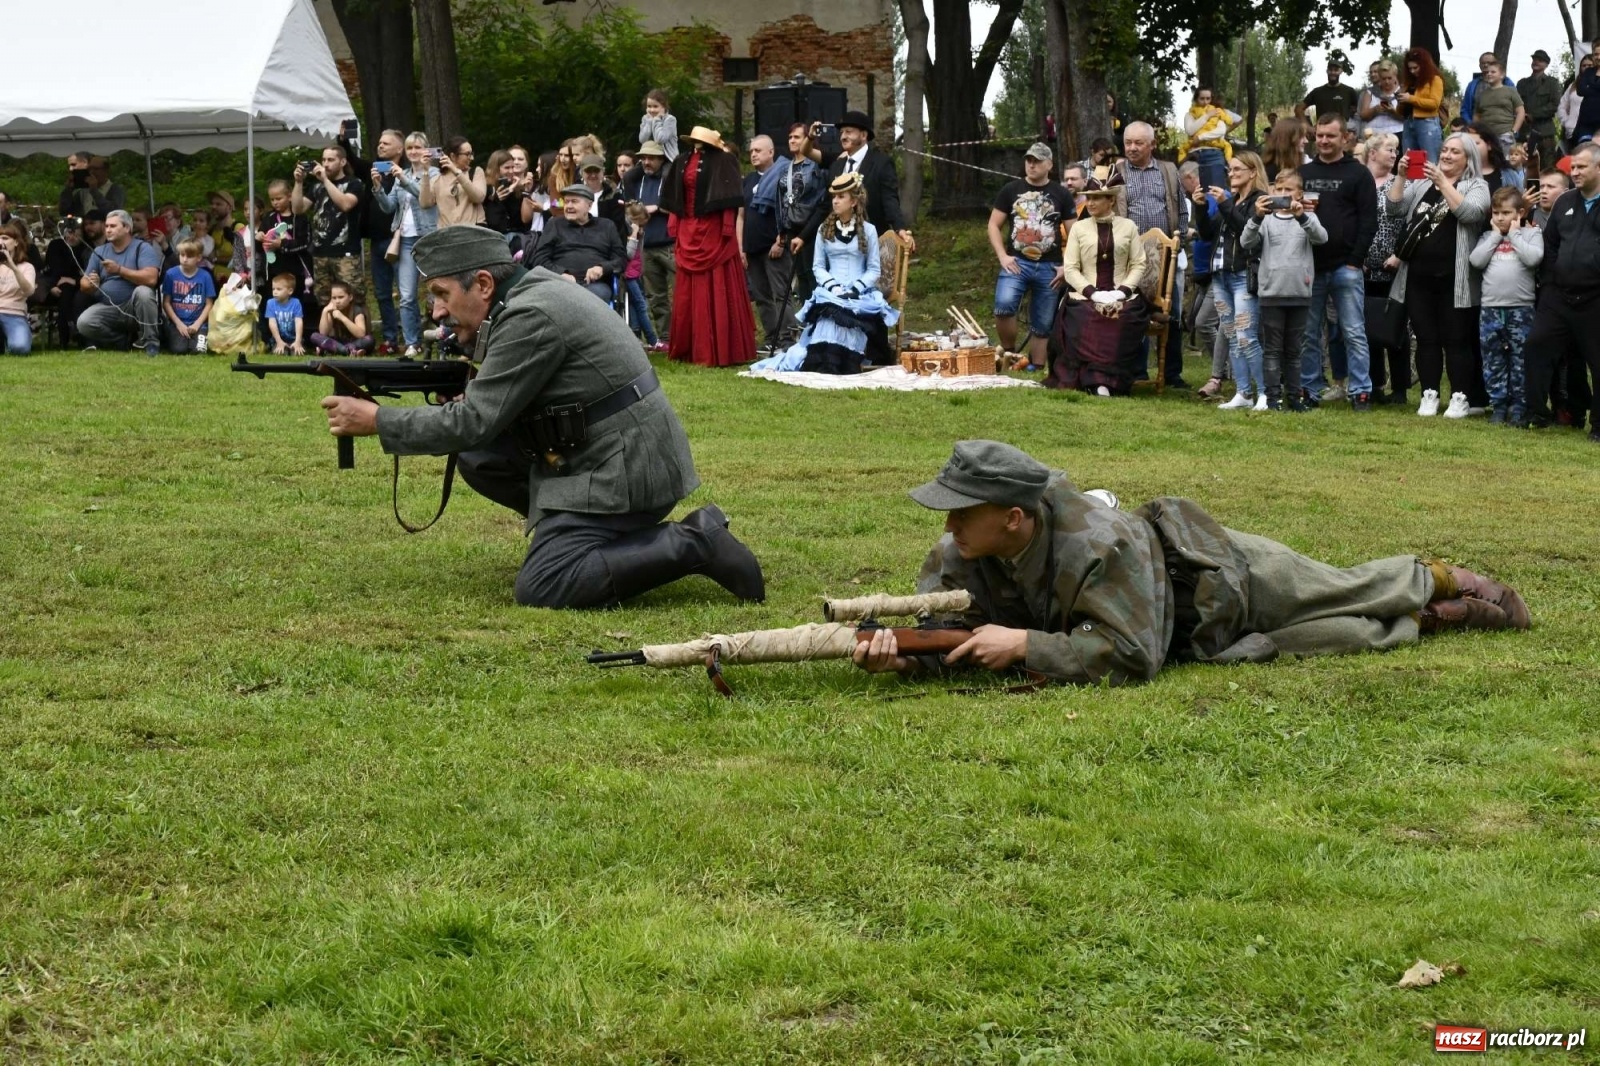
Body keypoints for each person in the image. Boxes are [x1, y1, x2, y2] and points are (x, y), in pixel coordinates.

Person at [318, 226, 766, 608]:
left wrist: (378, 419)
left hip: (625, 470)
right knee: (480, 456)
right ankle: (578, 534)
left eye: (441, 294)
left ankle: (693, 541)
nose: (436, 310)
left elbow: (473, 421)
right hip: (620, 451)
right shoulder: (536, 291)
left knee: (544, 585)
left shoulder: (530, 315)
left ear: (484, 284)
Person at [852, 441, 1530, 684]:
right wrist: (904, 656)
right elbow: (941, 628)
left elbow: (1132, 656)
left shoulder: (1099, 542)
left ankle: (1447, 579)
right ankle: (1442, 617)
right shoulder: (962, 549)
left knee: (1340, 588)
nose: (947, 526)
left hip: (1225, 576)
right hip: (1198, 637)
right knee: (1337, 638)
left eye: (961, 512)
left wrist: (1028, 644)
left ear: (1015, 518)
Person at [1385, 133, 1492, 419]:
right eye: (1444, 150)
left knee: (1457, 340)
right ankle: (1428, 394)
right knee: (1426, 338)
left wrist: (1444, 183)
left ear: (1468, 158)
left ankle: (1460, 397)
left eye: (1454, 152)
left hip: (1456, 280)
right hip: (1418, 277)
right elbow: (1393, 208)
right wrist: (1401, 176)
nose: (1445, 155)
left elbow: (1470, 213)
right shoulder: (1421, 184)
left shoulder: (1477, 185)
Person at [751, 172, 899, 375]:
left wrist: (855, 289)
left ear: (854, 201)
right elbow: (818, 267)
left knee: (850, 317)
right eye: (834, 197)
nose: (835, 201)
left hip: (860, 293)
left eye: (841, 197)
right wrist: (834, 287)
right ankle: (826, 362)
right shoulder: (823, 230)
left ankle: (848, 361)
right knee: (829, 317)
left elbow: (874, 269)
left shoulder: (869, 230)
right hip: (832, 290)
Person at [1299, 112, 1379, 409]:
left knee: (1354, 332)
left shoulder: (1358, 174)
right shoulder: (1303, 174)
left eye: (1330, 136)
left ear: (1344, 138)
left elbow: (1369, 221)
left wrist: (1355, 261)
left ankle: (1361, 391)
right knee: (1308, 333)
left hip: (1346, 266)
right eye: (1319, 135)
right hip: (1310, 267)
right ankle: (1309, 389)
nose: (1323, 141)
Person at [661, 125, 757, 367]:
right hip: (688, 227)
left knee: (717, 284)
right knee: (686, 291)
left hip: (713, 229)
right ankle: (688, 347)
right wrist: (675, 224)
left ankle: (721, 348)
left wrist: (726, 229)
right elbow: (676, 195)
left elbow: (729, 201)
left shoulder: (725, 161)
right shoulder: (682, 160)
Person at [1524, 141, 1600, 438]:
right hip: (1559, 296)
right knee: (1536, 346)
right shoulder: (1565, 202)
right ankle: (1535, 413)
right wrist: (1554, 280)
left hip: (1595, 298)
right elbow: (1551, 243)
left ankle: (1597, 426)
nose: (1575, 172)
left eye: (1582, 167)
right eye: (1574, 167)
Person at [1048, 176, 1150, 396]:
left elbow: (1139, 263)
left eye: (1096, 199)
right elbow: (1071, 267)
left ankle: (1109, 381)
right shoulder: (1079, 228)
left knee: (1120, 317)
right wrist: (1092, 294)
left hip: (1123, 295)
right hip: (1085, 296)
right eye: (1089, 198)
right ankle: (1092, 379)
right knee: (1087, 316)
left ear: (1110, 201)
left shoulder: (1128, 226)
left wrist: (1122, 291)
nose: (1090, 203)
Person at [1240, 170, 1328, 410]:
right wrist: (1256, 217)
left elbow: (1321, 238)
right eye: (1277, 190)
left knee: (1294, 350)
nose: (1282, 195)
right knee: (1272, 349)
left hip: (1300, 292)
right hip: (1271, 294)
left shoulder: (1307, 217)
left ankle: (1295, 397)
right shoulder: (1266, 220)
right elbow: (1245, 242)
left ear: (1299, 194)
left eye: (1288, 190)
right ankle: (1272, 398)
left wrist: (1303, 217)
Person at [1114, 121, 1188, 387]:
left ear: (1152, 145)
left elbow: (1180, 209)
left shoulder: (1168, 170)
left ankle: (1172, 373)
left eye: (1138, 143)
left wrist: (1177, 242)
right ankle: (1137, 370)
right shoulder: (1117, 171)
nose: (1132, 148)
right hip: (1130, 257)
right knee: (1134, 312)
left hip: (1164, 255)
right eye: (1128, 143)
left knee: (1173, 312)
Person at [987, 142, 1073, 371]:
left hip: (1050, 265)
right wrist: (1002, 256)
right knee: (1003, 306)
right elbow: (994, 225)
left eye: (1037, 161)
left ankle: (1036, 366)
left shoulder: (1061, 194)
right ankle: (1010, 352)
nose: (1031, 165)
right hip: (1017, 262)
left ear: (1049, 165)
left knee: (1043, 322)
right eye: (1029, 160)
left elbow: (1076, 234)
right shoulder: (1010, 190)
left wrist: (1068, 266)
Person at [1197, 151, 1268, 408]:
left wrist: (1225, 205)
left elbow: (1247, 232)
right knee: (1231, 333)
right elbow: (1207, 233)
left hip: (1243, 274)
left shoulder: (1260, 201)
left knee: (1246, 335)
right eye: (1230, 169)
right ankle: (1243, 393)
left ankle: (1265, 393)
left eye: (1238, 169)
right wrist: (1201, 207)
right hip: (1221, 276)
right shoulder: (1233, 200)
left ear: (1253, 172)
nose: (1231, 174)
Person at [1468, 186, 1542, 425]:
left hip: (1521, 309)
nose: (1500, 218)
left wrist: (1514, 235)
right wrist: (1496, 236)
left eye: (1506, 213)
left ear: (1519, 213)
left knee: (1520, 360)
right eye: (1496, 213)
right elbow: (1476, 260)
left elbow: (1533, 258)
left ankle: (1519, 406)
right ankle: (1498, 405)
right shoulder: (1488, 237)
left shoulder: (1531, 235)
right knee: (1493, 359)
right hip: (1491, 309)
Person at [370, 131, 440, 355]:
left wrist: (403, 179)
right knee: (407, 296)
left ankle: (444, 337)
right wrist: (378, 187)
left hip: (428, 239)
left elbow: (426, 199)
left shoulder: (435, 173)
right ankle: (412, 343)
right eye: (410, 148)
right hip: (405, 240)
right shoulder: (404, 173)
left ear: (426, 150)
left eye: (418, 148)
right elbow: (389, 207)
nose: (413, 152)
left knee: (438, 292)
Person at [292, 145, 368, 322]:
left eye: (331, 160)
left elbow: (346, 204)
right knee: (324, 299)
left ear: (342, 162)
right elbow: (298, 209)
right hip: (320, 253)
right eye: (323, 160)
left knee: (354, 297)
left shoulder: (354, 183)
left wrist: (326, 180)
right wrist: (298, 183)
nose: (325, 164)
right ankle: (330, 339)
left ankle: (362, 336)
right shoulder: (316, 187)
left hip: (346, 253)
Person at [1362, 132, 1410, 406]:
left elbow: (1410, 222)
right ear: (1372, 152)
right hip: (1364, 268)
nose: (1394, 154)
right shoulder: (1359, 182)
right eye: (1389, 149)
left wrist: (1399, 255)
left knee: (1396, 326)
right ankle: (1374, 384)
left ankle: (1400, 388)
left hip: (1394, 267)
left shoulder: (1402, 184)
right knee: (1367, 327)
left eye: (1396, 150)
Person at [77, 209, 162, 355]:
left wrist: (120, 270)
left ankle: (151, 342)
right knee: (84, 322)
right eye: (107, 226)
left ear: (127, 228)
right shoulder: (100, 250)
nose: (108, 230)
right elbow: (83, 284)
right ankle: (121, 342)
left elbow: (151, 279)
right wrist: (91, 283)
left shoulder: (142, 248)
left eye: (113, 226)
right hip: (108, 307)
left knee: (144, 292)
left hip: (134, 307)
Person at [741, 134, 796, 351]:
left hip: (774, 248)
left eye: (758, 150)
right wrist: (741, 248)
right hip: (752, 248)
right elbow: (741, 216)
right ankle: (772, 338)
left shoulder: (783, 176)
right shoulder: (748, 181)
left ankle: (788, 340)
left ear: (771, 152)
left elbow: (789, 213)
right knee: (762, 297)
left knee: (781, 295)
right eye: (751, 151)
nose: (753, 154)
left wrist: (781, 241)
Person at [529, 184, 627, 305]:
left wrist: (602, 268)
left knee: (594, 297)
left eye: (574, 202)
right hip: (559, 283)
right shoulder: (555, 224)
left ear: (589, 205)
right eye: (566, 202)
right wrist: (561, 273)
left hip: (595, 285)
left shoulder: (607, 226)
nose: (568, 206)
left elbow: (621, 259)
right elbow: (539, 258)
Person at [619, 140, 674, 346]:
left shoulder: (669, 179)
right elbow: (630, 210)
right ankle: (665, 338)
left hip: (670, 243)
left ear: (661, 159)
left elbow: (677, 207)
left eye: (651, 158)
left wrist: (656, 208)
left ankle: (686, 335)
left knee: (680, 292)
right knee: (655, 296)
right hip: (646, 245)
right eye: (643, 158)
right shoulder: (636, 180)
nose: (646, 162)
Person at [361, 129, 405, 351]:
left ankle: (410, 337)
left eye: (386, 143)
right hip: (376, 240)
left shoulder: (405, 174)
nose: (380, 146)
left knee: (405, 292)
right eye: (379, 142)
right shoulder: (374, 171)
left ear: (400, 149)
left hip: (398, 239)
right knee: (382, 293)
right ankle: (390, 339)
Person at [778, 123, 827, 306]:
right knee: (801, 277)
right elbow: (781, 200)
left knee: (813, 274)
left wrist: (808, 231)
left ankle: (819, 320)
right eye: (790, 137)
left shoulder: (816, 166)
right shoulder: (786, 167)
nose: (792, 140)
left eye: (797, 137)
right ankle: (807, 321)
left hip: (811, 229)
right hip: (792, 228)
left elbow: (822, 200)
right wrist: (781, 230)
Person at [43, 215, 94, 347]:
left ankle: (66, 335)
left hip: (78, 286)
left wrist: (74, 280)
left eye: (77, 235)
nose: (72, 237)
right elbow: (53, 268)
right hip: (54, 285)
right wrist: (52, 285)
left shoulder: (86, 249)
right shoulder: (56, 245)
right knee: (65, 289)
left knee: (67, 290)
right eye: (70, 233)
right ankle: (68, 332)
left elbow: (88, 272)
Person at [160, 238, 216, 354]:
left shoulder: (205, 276)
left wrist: (197, 324)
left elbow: (209, 304)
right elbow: (166, 302)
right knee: (178, 349)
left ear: (199, 258)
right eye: (182, 255)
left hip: (199, 323)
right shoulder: (171, 274)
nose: (184, 259)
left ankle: (195, 339)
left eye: (189, 256)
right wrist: (178, 324)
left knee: (200, 351)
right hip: (177, 322)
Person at [1181, 87, 1242, 191]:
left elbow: (1223, 129)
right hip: (1194, 155)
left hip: (1214, 154)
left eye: (1208, 99)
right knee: (1196, 194)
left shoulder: (1218, 112)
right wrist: (1206, 116)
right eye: (1202, 99)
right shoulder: (1190, 114)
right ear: (1196, 99)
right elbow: (1190, 130)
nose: (1205, 102)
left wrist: (1201, 137)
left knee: (1216, 193)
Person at [425, 137, 487, 229]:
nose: (472, 158)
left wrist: (457, 172)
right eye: (468, 154)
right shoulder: (437, 179)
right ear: (453, 156)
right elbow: (425, 204)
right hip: (447, 234)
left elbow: (478, 197)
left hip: (472, 232)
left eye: (472, 154)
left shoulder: (476, 172)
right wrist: (425, 172)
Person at [621, 202, 659, 348]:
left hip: (636, 273)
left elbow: (639, 254)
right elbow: (629, 254)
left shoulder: (640, 233)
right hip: (628, 275)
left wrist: (639, 235)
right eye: (641, 224)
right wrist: (634, 235)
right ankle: (652, 339)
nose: (643, 228)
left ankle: (637, 336)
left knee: (635, 305)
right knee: (641, 305)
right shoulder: (627, 233)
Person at [1398, 48, 1447, 162]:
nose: (1412, 71)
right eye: (1410, 68)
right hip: (1408, 121)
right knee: (1410, 162)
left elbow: (1434, 104)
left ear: (1424, 65)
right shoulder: (1409, 82)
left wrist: (1410, 98)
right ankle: (1412, 180)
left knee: (1430, 162)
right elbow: (1401, 110)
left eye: (1415, 67)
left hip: (1427, 122)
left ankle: (1431, 181)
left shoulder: (1435, 80)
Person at [1519, 50, 1563, 173]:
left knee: (1547, 168)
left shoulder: (1552, 83)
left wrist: (1533, 115)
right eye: (1534, 59)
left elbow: (1554, 104)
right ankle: (1531, 191)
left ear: (1546, 64)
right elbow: (1516, 103)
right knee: (1528, 168)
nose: (1536, 62)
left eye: (1540, 60)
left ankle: (1547, 191)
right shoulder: (1522, 83)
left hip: (1545, 132)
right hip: (1525, 131)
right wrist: (1523, 115)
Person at [0, 221, 37, 354]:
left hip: (14, 315)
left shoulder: (27, 267)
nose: (0, 241)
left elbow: (29, 291)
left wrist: (13, 268)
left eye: (5, 238)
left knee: (20, 348)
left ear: (16, 242)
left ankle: (10, 341)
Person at [309, 279, 374, 354]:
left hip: (355, 342)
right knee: (314, 336)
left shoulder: (357, 310)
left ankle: (334, 350)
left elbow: (361, 334)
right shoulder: (331, 310)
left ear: (350, 297)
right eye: (334, 298)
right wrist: (325, 312)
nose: (337, 301)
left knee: (369, 339)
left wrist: (342, 317)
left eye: (341, 297)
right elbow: (323, 333)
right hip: (338, 342)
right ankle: (347, 351)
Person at [1472, 60, 1526, 150]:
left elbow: (1521, 112)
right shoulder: (1482, 94)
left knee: (1506, 162)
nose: (1489, 74)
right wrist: (1476, 131)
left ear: (1502, 75)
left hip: (1505, 135)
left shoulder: (1511, 91)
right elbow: (1477, 115)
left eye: (1493, 72)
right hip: (1486, 137)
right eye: (1487, 72)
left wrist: (1514, 131)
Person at [57, 153, 124, 218]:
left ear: (106, 171)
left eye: (96, 169)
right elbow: (64, 211)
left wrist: (94, 191)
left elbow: (114, 213)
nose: (92, 172)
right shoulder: (83, 192)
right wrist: (68, 190)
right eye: (89, 169)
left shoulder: (115, 189)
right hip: (86, 227)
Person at [1300, 59, 1360, 124]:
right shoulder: (1317, 92)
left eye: (1336, 70)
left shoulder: (1349, 91)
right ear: (1327, 71)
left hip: (1342, 132)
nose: (1333, 72)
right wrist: (1307, 127)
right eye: (1330, 70)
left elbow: (1360, 111)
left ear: (1341, 71)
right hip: (1322, 132)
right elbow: (1298, 109)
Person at [1359, 61, 1406, 141]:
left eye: (1389, 78)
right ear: (1379, 78)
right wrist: (1375, 110)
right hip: (1374, 135)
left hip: (1398, 133)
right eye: (1383, 79)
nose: (1387, 82)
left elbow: (1407, 117)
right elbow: (1363, 116)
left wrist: (1393, 112)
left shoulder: (1402, 91)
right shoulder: (1370, 92)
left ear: (1395, 76)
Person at [1460, 52, 1509, 126]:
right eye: (1483, 63)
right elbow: (1465, 110)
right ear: (1479, 65)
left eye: (1489, 62)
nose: (1486, 65)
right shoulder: (1472, 85)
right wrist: (1471, 125)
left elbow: (1515, 107)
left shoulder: (1506, 82)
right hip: (1477, 129)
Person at [1558, 57, 1594, 152]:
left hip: (1594, 131)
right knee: (1574, 161)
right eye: (1584, 65)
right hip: (1573, 131)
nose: (1586, 67)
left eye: (1589, 65)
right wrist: (1567, 122)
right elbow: (1562, 106)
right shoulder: (1573, 85)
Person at [265, 273, 306, 354]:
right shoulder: (270, 303)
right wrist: (279, 342)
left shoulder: (296, 303)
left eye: (278, 289)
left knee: (297, 353)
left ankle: (297, 344)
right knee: (281, 353)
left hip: (294, 338)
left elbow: (299, 322)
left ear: (290, 291)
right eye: (273, 289)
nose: (275, 292)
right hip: (278, 339)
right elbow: (272, 323)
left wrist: (297, 341)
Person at [1261, 117, 1309, 183]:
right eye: (1301, 137)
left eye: (1305, 136)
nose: (1306, 141)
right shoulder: (1268, 172)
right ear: (1287, 139)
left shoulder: (1305, 165)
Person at [639, 88, 680, 162]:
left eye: (655, 106)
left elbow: (660, 139)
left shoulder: (670, 120)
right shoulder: (645, 118)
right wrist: (649, 121)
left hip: (666, 158)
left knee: (665, 174)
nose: (651, 110)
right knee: (631, 174)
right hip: (648, 158)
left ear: (663, 107)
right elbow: (642, 139)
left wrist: (657, 119)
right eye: (649, 106)